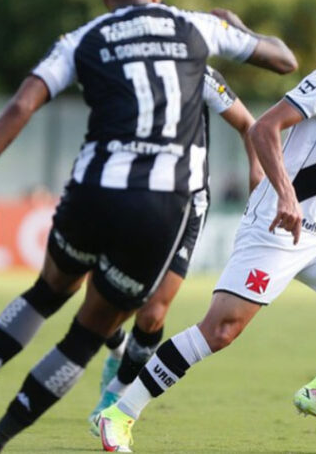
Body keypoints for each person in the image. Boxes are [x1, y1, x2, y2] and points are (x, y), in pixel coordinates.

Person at [0, 0, 297, 452]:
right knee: (87, 333)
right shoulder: (197, 29)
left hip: (101, 191)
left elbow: (21, 104)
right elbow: (283, 60)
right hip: (158, 206)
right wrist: (236, 28)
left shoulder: (86, 36)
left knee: (51, 294)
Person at [98, 1, 316, 452]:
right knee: (220, 332)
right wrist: (286, 194)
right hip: (276, 226)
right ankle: (119, 414)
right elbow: (264, 130)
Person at [86, 63, 263, 435]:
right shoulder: (120, 67)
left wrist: (257, 174)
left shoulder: (199, 72)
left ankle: (116, 396)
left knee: (153, 313)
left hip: (186, 203)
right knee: (104, 303)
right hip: (128, 195)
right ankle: (118, 351)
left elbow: (249, 125)